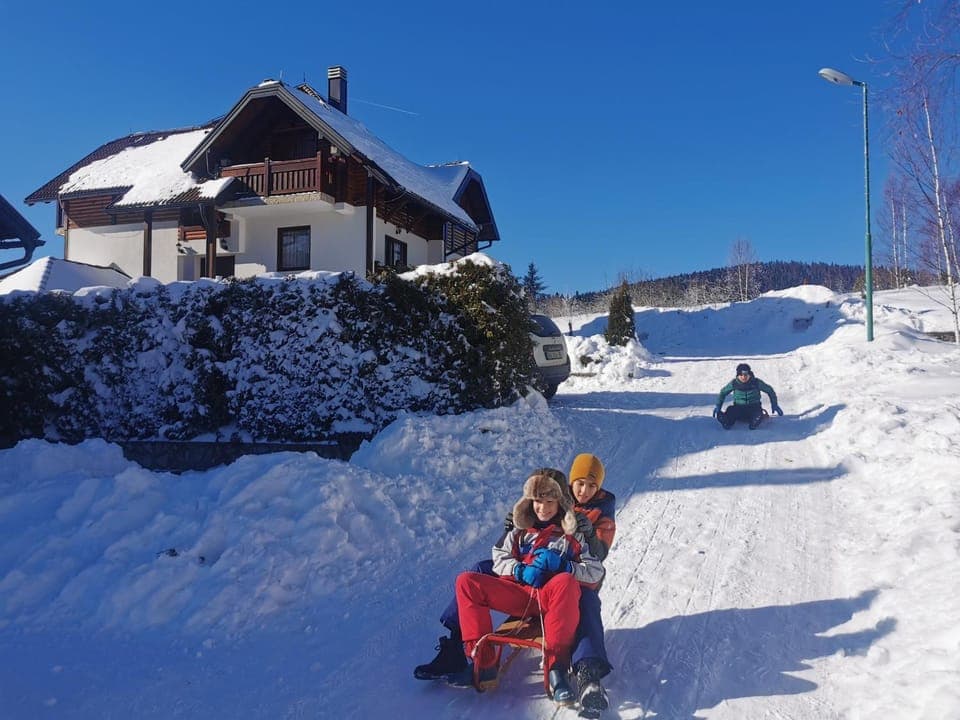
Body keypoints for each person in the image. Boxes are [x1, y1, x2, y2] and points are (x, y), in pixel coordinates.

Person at [414, 455, 617, 715]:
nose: (584, 491)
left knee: (584, 600)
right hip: (526, 582)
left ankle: (583, 672)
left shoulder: (598, 518)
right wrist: (517, 547)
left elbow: (596, 561)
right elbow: (504, 552)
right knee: (474, 572)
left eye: (591, 486)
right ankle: (463, 649)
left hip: (568, 584)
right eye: (579, 483)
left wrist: (583, 539)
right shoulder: (539, 506)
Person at [452, 471, 605, 704]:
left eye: (549, 502)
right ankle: (482, 662)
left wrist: (564, 566)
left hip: (554, 598)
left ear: (561, 502)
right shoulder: (520, 528)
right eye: (537, 501)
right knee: (466, 581)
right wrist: (518, 570)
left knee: (565, 582)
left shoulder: (573, 534)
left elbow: (595, 571)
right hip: (521, 593)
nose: (542, 508)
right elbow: (499, 556)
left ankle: (557, 670)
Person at [713, 362, 783, 430]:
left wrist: (774, 404)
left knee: (757, 412)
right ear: (738, 375)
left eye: (746, 375)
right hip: (739, 408)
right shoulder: (734, 383)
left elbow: (770, 391)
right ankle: (726, 422)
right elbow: (723, 393)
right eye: (741, 375)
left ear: (749, 374)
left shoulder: (756, 382)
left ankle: (755, 421)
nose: (744, 377)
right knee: (731, 410)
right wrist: (718, 406)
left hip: (753, 407)